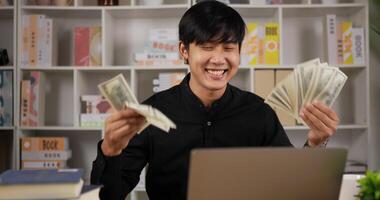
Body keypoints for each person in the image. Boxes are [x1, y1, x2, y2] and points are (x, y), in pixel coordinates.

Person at [91, 1, 340, 200]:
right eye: (207, 47)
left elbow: (291, 187)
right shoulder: (152, 111)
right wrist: (110, 152)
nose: (219, 59)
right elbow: (108, 197)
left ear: (239, 52)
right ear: (184, 51)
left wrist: (316, 144)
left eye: (228, 48)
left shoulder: (258, 112)